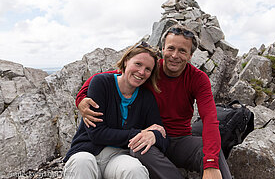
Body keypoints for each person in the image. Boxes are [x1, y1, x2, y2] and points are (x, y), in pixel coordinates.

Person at [76, 24, 232, 179]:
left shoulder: (198, 78)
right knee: (139, 147)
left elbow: (210, 118)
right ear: (163, 49)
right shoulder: (150, 70)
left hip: (180, 140)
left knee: (212, 149)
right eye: (170, 48)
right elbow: (112, 76)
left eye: (182, 51)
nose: (175, 55)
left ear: (190, 56)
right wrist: (81, 98)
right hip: (149, 139)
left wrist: (211, 163)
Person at [63, 42, 174, 179]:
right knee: (82, 163)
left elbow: (163, 136)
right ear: (126, 61)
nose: (141, 72)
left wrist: (153, 136)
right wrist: (140, 133)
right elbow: (97, 133)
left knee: (134, 170)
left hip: (119, 156)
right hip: (87, 151)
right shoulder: (101, 83)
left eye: (148, 69)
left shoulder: (146, 97)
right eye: (138, 64)